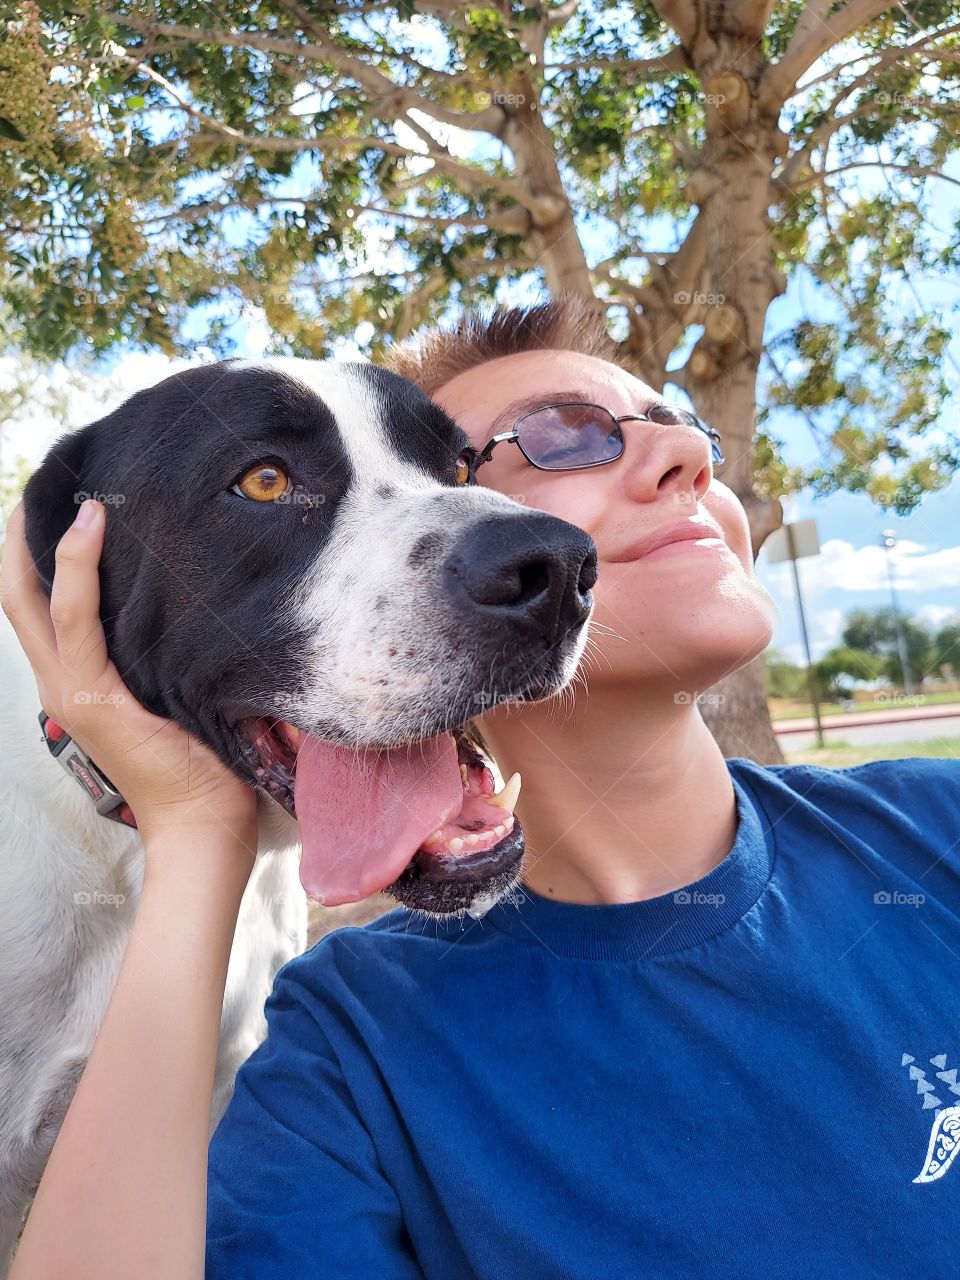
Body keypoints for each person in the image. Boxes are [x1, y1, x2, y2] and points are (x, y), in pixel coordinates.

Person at [2, 297, 958, 1280]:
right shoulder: (346, 1051)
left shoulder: (937, 824)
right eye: (565, 438)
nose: (685, 456)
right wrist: (195, 825)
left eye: (686, 425)